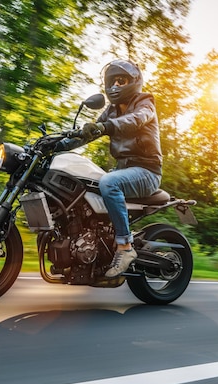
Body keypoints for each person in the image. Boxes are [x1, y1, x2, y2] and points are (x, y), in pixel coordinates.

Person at [56, 59, 162, 278]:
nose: (115, 86)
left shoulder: (145, 103)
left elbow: (135, 120)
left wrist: (106, 127)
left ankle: (125, 247)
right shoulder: (111, 111)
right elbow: (89, 134)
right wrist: (56, 144)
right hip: (124, 170)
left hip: (147, 171)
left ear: (134, 81)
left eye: (121, 81)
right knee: (84, 186)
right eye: (111, 81)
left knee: (108, 182)